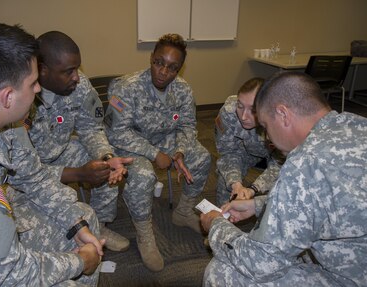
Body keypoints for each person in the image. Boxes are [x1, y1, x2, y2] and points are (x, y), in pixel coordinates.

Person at [0, 22, 104, 286]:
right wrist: (81, 262)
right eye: (33, 83)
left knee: (84, 220)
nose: (38, 90)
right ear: (7, 97)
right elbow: (6, 275)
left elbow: (34, 178)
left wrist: (76, 225)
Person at [201, 71, 367, 286]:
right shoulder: (357, 124)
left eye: (267, 126)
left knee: (223, 271)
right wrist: (260, 204)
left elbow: (260, 262)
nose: (267, 136)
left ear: (283, 114)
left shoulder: (304, 163)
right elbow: (328, 201)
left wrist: (215, 225)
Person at [105, 33, 211, 270]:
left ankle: (183, 212)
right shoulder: (127, 88)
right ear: (151, 58)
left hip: (167, 140)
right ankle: (145, 233)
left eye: (172, 68)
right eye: (159, 63)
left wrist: (181, 152)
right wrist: (154, 154)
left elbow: (188, 126)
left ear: (180, 69)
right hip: (132, 143)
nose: (163, 72)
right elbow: (115, 133)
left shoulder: (183, 90)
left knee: (202, 157)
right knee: (144, 176)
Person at [27, 31, 133, 254]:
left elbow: (90, 128)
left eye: (77, 68)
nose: (77, 77)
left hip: (63, 149)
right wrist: (77, 173)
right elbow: (22, 171)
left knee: (103, 166)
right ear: (43, 70)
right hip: (28, 168)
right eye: (68, 71)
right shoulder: (22, 96)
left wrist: (106, 155)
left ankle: (99, 226)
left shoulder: (80, 86)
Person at [215, 77, 283, 205]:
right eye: (240, 106)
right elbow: (228, 153)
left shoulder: (282, 120)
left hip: (277, 157)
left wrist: (254, 189)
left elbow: (282, 164)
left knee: (282, 189)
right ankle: (223, 218)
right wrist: (236, 184)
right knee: (226, 179)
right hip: (248, 151)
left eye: (253, 110)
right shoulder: (230, 112)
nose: (244, 117)